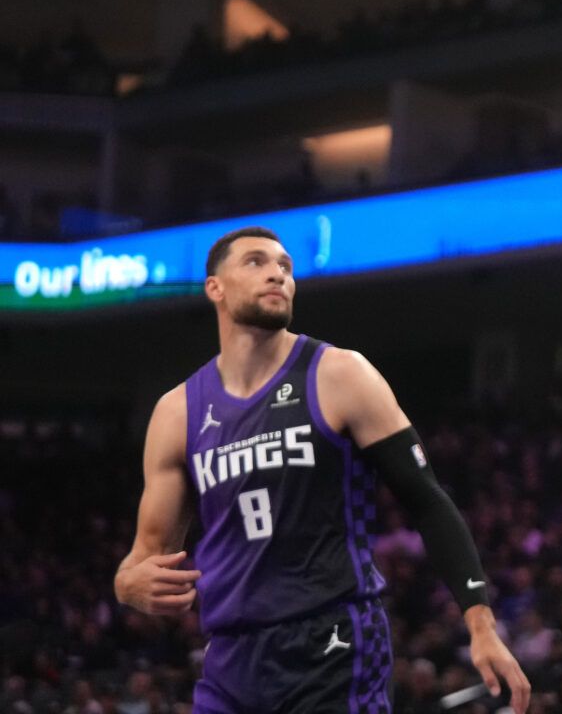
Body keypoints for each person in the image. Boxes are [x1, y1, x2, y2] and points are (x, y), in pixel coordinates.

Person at [115, 226, 529, 713]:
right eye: (255, 262)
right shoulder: (178, 411)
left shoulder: (340, 374)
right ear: (215, 288)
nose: (277, 274)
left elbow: (428, 502)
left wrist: (481, 626)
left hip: (333, 639)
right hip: (231, 654)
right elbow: (145, 555)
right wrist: (128, 584)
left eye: (286, 267)